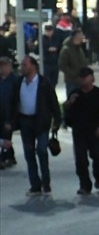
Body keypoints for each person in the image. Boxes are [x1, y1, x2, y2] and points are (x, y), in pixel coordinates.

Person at [10, 55, 62, 196]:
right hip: (25, 122)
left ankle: (46, 181)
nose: (22, 68)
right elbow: (14, 102)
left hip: (41, 122)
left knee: (42, 151)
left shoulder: (44, 83)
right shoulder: (19, 82)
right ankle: (35, 185)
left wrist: (57, 121)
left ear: (33, 66)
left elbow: (53, 103)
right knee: (29, 153)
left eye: (24, 65)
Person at [63, 67, 99, 195]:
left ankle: (98, 176)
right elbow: (65, 107)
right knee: (81, 159)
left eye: (86, 77)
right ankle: (85, 184)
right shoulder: (75, 93)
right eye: (81, 77)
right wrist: (70, 102)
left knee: (98, 156)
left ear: (92, 78)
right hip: (78, 130)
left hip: (94, 130)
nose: (83, 80)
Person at [0, 56, 20, 168]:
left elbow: (16, 102)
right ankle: (10, 156)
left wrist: (12, 119)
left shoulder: (15, 81)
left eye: (5, 66)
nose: (2, 68)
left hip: (10, 114)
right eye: (1, 66)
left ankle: (4, 157)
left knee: (6, 135)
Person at [59, 29, 90, 97]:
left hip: (81, 81)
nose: (83, 37)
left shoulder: (79, 49)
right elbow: (62, 65)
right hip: (71, 81)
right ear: (76, 37)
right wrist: (74, 73)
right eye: (81, 35)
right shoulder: (66, 50)